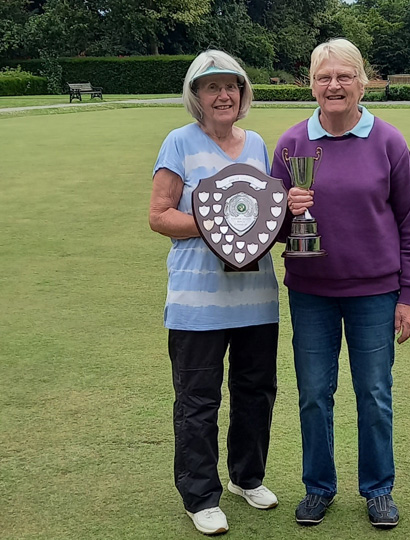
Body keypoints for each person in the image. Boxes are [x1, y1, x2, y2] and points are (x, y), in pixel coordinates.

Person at [271, 38, 410, 529]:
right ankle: (319, 487)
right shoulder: (292, 144)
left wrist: (409, 295)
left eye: (343, 76)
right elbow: (267, 226)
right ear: (311, 85)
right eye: (323, 77)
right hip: (311, 291)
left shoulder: (389, 142)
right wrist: (284, 215)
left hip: (375, 294)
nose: (333, 85)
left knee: (374, 393)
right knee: (314, 393)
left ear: (363, 81)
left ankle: (378, 489)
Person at [149, 50, 279, 536]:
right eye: (212, 87)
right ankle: (200, 495)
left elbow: (263, 217)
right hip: (196, 302)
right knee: (198, 399)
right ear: (196, 96)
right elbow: (160, 215)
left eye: (232, 86)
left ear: (243, 93)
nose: (223, 95)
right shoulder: (178, 143)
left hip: (256, 298)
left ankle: (248, 477)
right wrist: (216, 226)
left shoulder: (258, 144)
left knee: (256, 391)